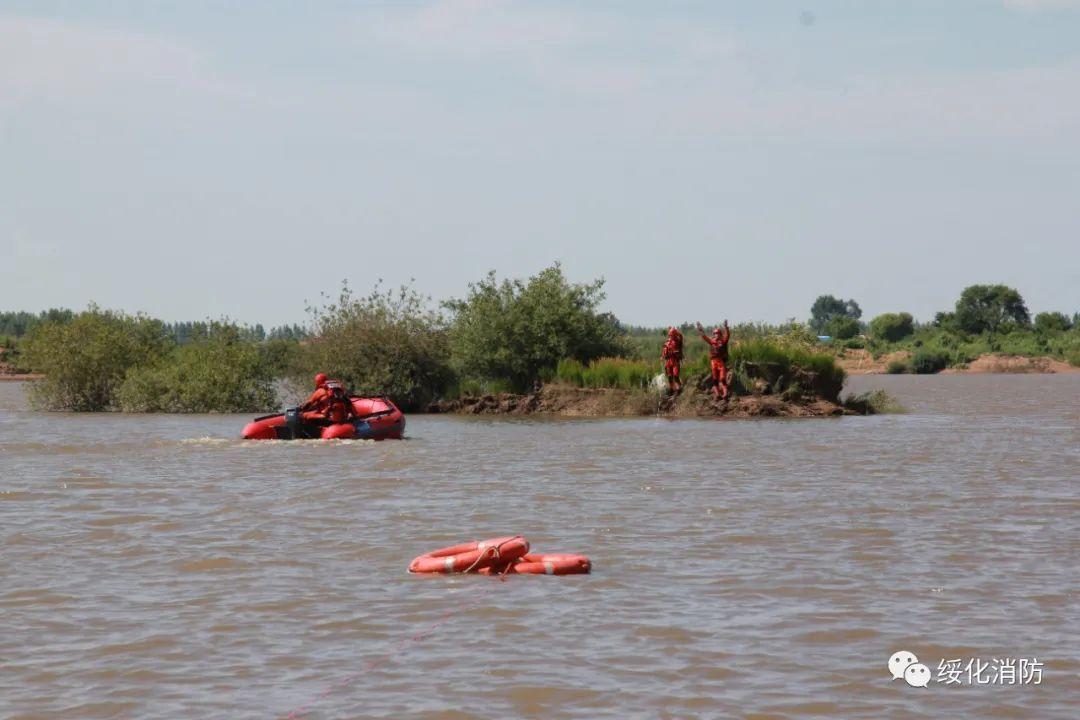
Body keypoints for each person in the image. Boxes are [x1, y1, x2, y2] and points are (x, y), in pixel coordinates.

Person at [697, 320, 731, 400]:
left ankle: (725, 393)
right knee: (715, 379)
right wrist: (700, 329)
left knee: (722, 378)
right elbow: (704, 337)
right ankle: (717, 394)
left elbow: (728, 336)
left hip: (720, 361)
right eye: (715, 333)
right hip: (713, 362)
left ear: (720, 334)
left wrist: (726, 327)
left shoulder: (723, 341)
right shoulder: (712, 341)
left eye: (718, 333)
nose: (716, 335)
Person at [660, 326, 684, 394]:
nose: (671, 336)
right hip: (668, 361)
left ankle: (679, 387)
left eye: (673, 334)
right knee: (670, 376)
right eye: (670, 335)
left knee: (676, 375)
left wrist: (676, 331)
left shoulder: (678, 341)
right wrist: (662, 356)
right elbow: (664, 350)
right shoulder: (667, 342)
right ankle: (672, 389)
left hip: (675, 361)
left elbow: (681, 336)